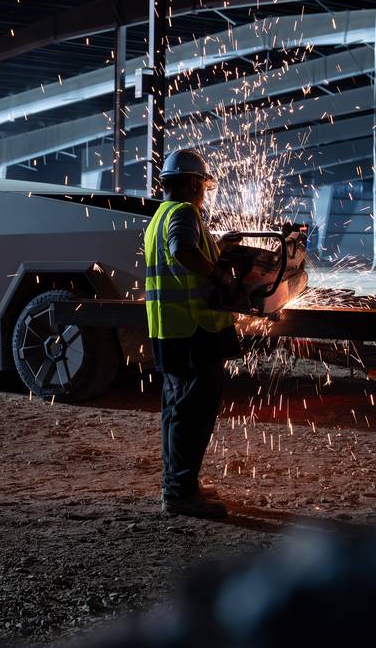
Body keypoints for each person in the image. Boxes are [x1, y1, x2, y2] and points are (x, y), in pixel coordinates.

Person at [144, 149, 242, 519]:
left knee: (177, 410)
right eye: (202, 185)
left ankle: (179, 484)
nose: (204, 193)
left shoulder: (160, 216)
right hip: (193, 330)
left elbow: (182, 250)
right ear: (190, 183)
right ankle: (180, 495)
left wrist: (219, 247)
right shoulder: (185, 213)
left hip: (169, 330)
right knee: (193, 413)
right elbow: (182, 250)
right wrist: (221, 276)